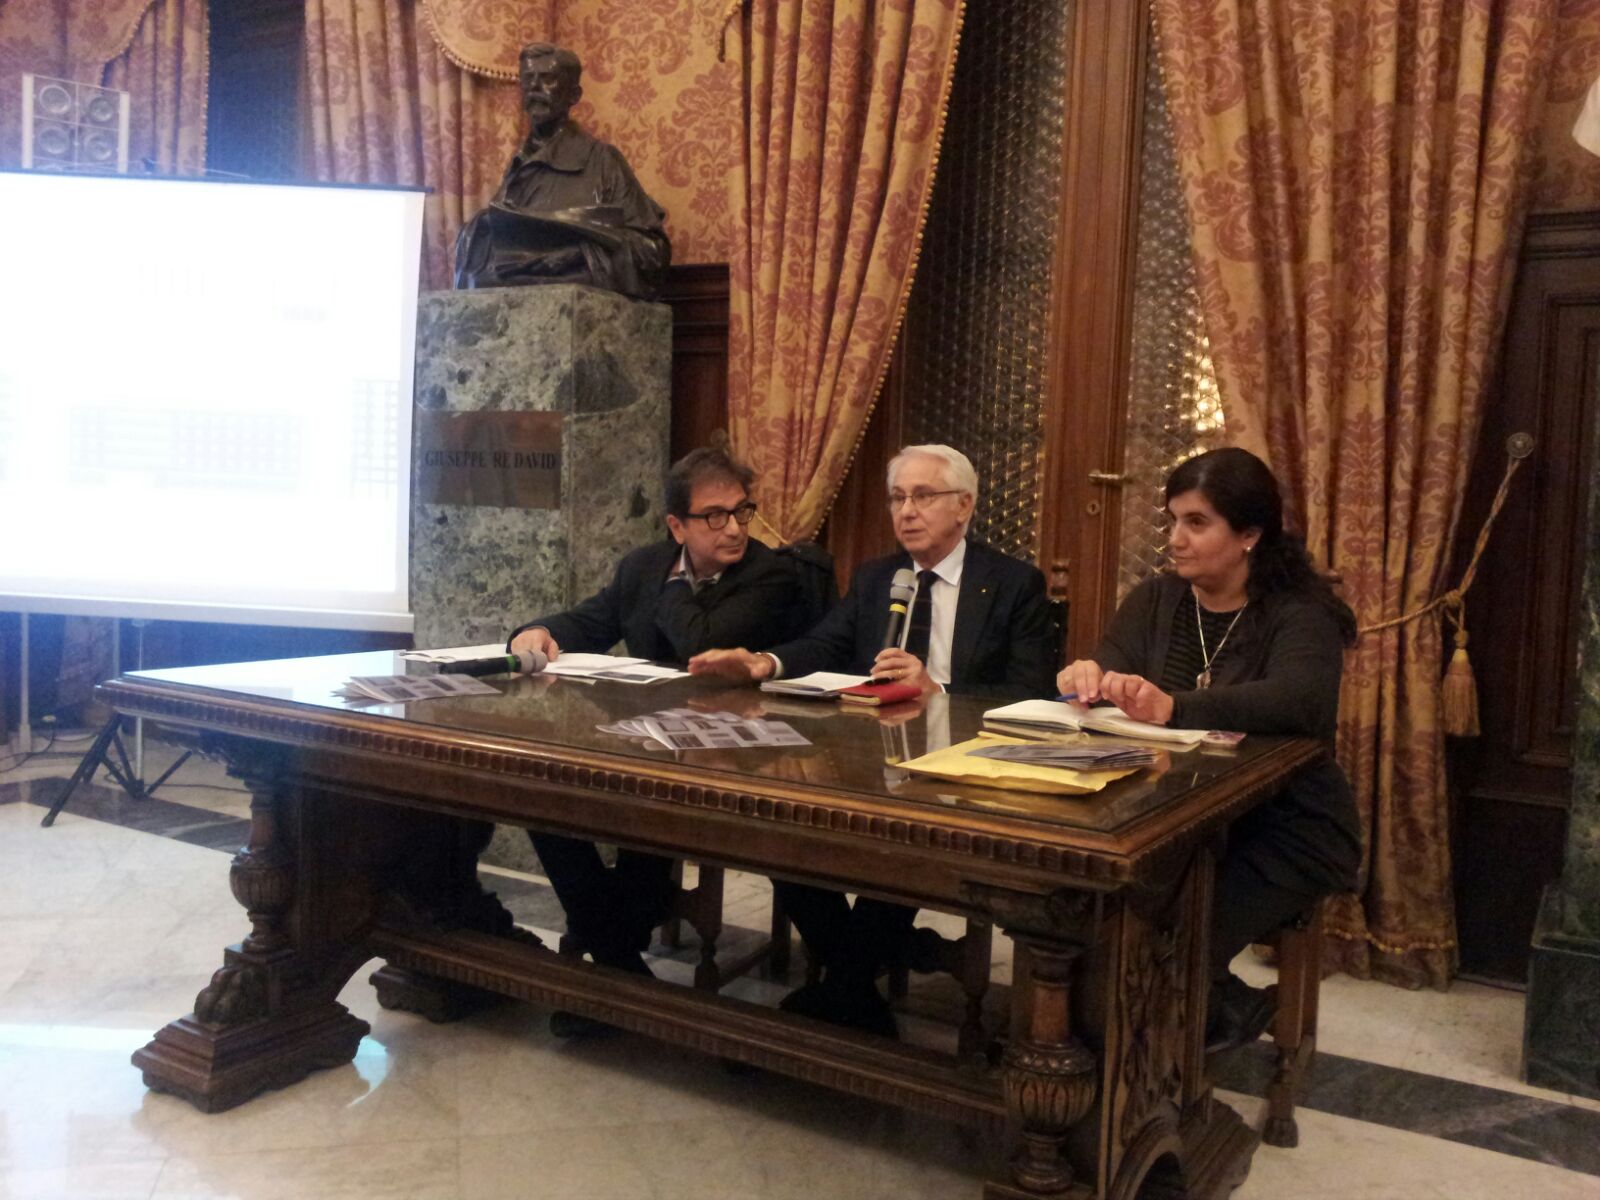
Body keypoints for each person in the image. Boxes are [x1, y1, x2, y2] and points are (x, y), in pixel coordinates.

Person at [690, 443, 1056, 1035]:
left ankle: (843, 993)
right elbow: (826, 645)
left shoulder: (1013, 584)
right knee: (779, 832)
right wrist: (764, 662)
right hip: (866, 760)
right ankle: (855, 992)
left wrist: (938, 687)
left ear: (964, 506)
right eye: (897, 498)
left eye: (923, 496)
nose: (906, 511)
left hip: (958, 774)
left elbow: (1031, 692)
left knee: (905, 845)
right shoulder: (877, 577)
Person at [1056, 446, 1361, 1052]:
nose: (1176, 539)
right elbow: (1110, 669)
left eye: (1196, 523)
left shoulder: (1300, 612)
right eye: (1172, 520)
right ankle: (1161, 1032)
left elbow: (1298, 700)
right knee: (1091, 937)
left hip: (1282, 828)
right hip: (1168, 819)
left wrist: (1175, 707)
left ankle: (1190, 1043)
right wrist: (1087, 678)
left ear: (1249, 534)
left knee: (1162, 950)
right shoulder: (1155, 600)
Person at [506, 446, 810, 1033]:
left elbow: (700, 642)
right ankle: (620, 966)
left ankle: (611, 973)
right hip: (643, 742)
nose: (734, 528)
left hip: (732, 756)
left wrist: (674, 582)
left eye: (742, 511)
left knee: (652, 816)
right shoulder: (641, 567)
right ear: (677, 525)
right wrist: (537, 630)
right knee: (541, 797)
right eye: (714, 516)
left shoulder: (772, 574)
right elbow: (591, 621)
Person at [454, 43, 670, 297]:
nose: (535, 87)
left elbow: (651, 253)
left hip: (577, 292)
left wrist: (579, 254)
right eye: (528, 79)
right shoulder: (519, 166)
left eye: (548, 79)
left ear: (573, 95)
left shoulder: (602, 162)